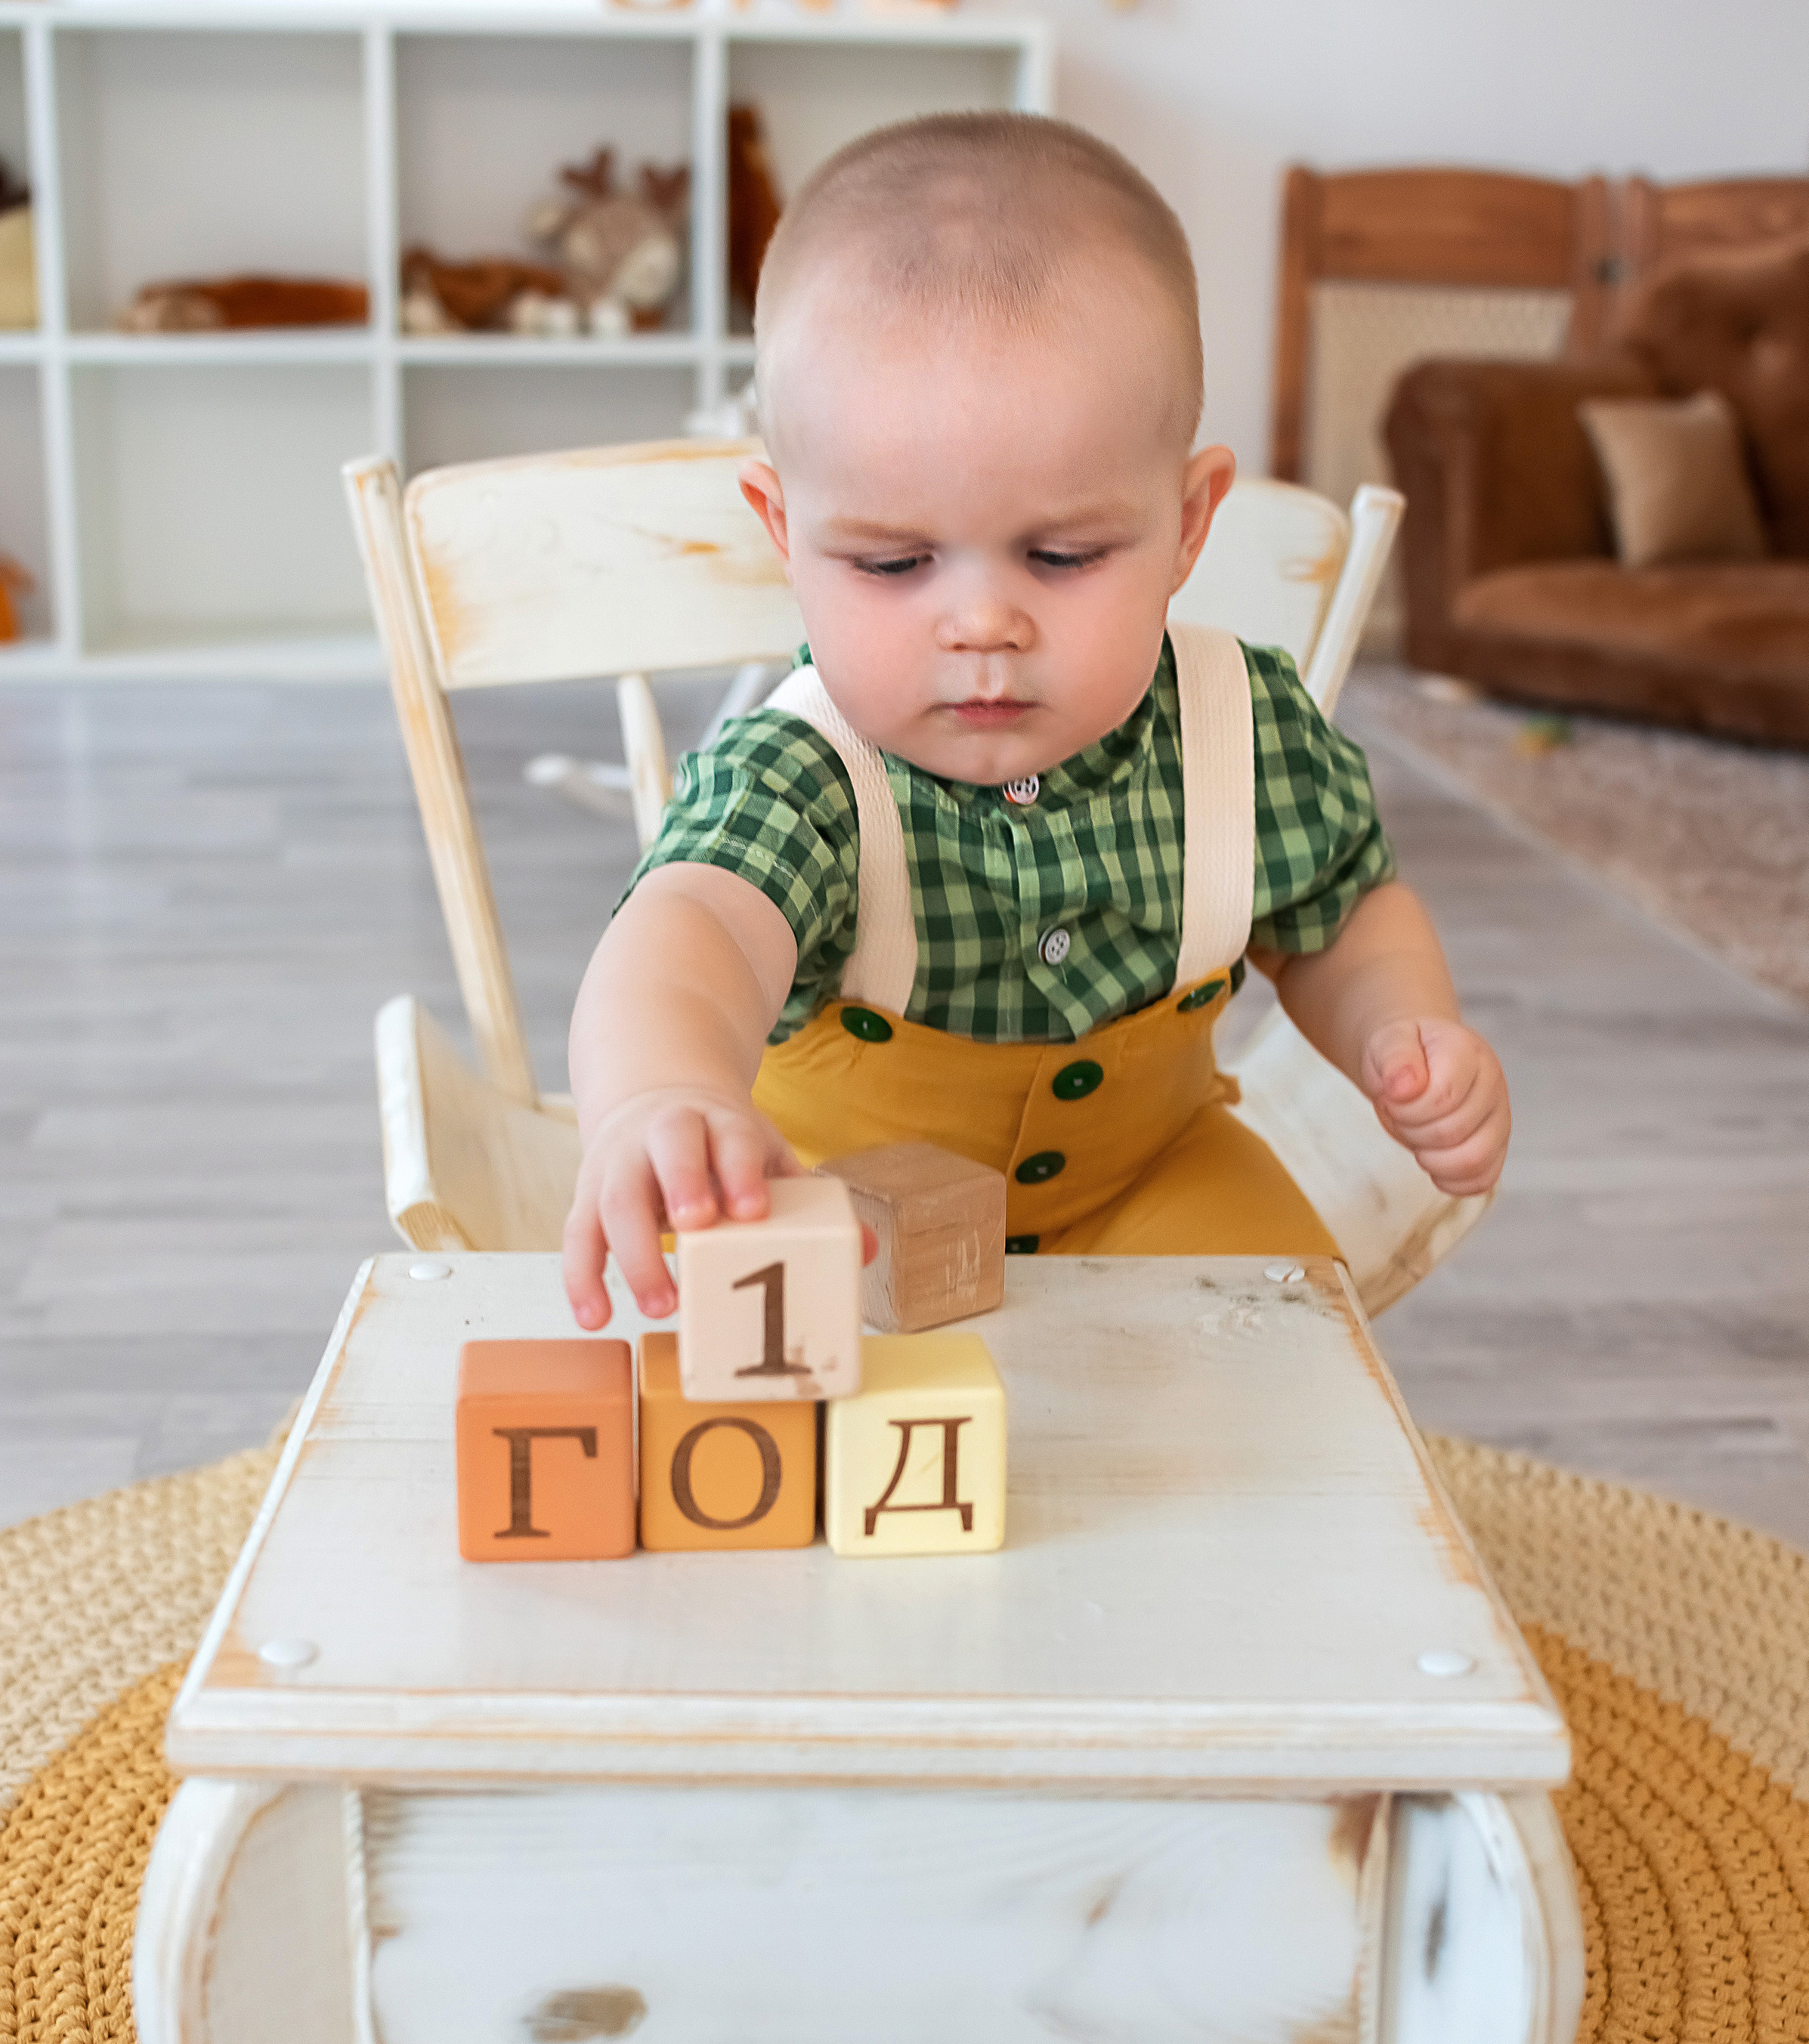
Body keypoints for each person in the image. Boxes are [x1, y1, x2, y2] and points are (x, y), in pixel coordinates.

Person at [561, 113, 1509, 1331]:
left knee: (1289, 1361)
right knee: (816, 1431)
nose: (982, 625)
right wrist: (661, 1093)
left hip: (1153, 1187)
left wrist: (1401, 1024)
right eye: (896, 564)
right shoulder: (805, 775)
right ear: (784, 531)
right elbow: (688, 933)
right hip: (840, 1220)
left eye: (1060, 555)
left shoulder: (1240, 728)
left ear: (1188, 521)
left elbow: (1346, 910)